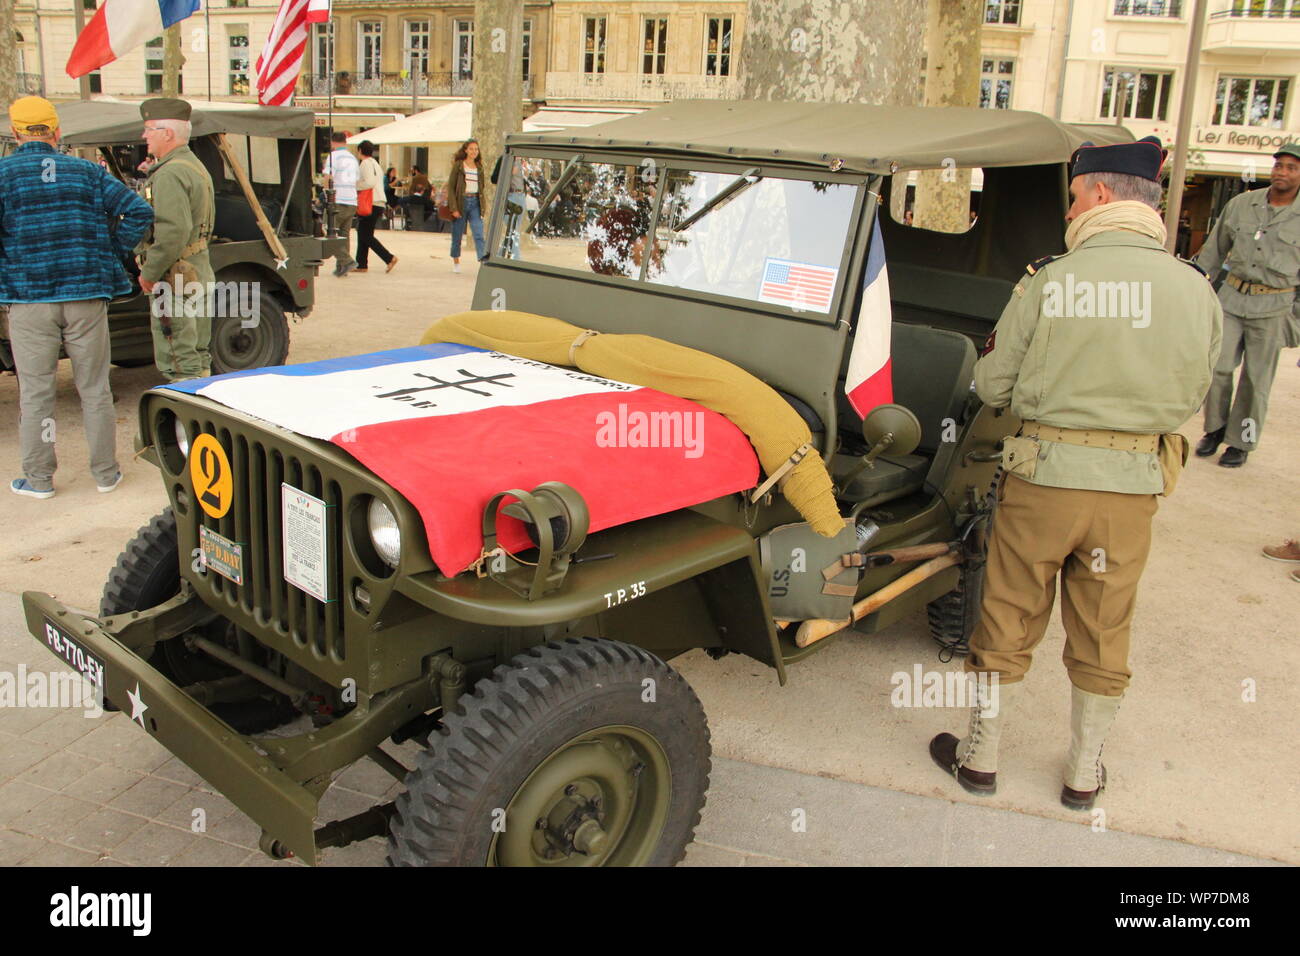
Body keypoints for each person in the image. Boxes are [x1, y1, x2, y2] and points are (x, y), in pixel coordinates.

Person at [928, 136, 1222, 810]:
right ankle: (1083, 775)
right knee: (1104, 624)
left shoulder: (1051, 279)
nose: (1068, 210)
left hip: (1045, 479)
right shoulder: (1194, 288)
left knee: (1008, 609)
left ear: (1099, 194)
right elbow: (1195, 392)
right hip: (1132, 487)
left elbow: (991, 381)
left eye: (1071, 197)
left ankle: (980, 760)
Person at [1, 96, 153, 498]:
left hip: (29, 300)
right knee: (94, 389)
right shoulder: (86, 172)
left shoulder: (3, 175)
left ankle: (39, 480)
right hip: (86, 297)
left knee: (37, 395)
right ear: (56, 132)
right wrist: (110, 250)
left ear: (15, 133)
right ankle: (106, 474)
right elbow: (138, 212)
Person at [1193, 144, 1300, 468]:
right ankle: (1214, 429)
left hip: (1274, 304)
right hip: (1232, 298)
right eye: (1279, 165)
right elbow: (1213, 251)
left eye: (1291, 167)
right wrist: (1197, 290)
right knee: (1218, 367)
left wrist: (1295, 317)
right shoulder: (1241, 205)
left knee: (1256, 379)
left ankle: (1241, 441)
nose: (1282, 172)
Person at [137, 97, 216, 383]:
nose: (144, 135)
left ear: (167, 133)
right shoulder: (192, 165)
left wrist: (149, 271)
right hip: (196, 270)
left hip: (174, 278)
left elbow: (172, 232)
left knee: (179, 359)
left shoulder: (170, 173)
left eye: (149, 129)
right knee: (197, 353)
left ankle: (185, 424)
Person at [353, 141, 397, 273]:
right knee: (364, 232)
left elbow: (370, 182)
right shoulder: (375, 163)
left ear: (360, 150)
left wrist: (355, 186)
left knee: (365, 234)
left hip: (371, 202)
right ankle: (361, 264)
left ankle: (389, 257)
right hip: (378, 201)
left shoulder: (365, 163)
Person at [446, 139, 488, 272]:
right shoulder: (459, 165)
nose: (474, 152)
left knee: (478, 233)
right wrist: (454, 208)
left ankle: (483, 260)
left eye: (476, 149)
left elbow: (482, 186)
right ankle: (456, 261)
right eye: (471, 149)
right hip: (461, 202)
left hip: (475, 201)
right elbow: (451, 187)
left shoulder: (479, 167)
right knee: (457, 235)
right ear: (465, 150)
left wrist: (483, 206)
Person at [321, 130, 358, 277]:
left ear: (332, 142)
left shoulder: (333, 156)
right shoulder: (353, 158)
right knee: (344, 234)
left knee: (328, 230)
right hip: (352, 199)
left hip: (338, 199)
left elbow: (328, 177)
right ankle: (342, 267)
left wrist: (324, 193)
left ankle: (347, 261)